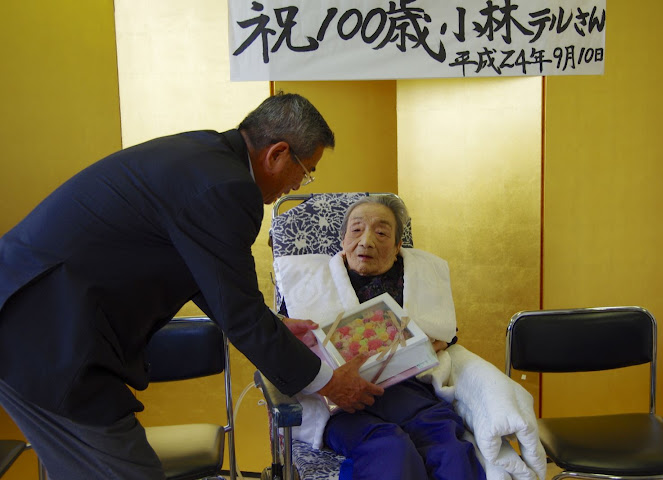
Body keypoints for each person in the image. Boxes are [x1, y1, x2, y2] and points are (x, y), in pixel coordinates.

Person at [0, 92, 383, 479]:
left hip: (29, 312)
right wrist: (329, 383)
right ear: (278, 154)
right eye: (306, 170)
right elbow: (241, 313)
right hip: (44, 333)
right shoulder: (228, 189)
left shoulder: (203, 155)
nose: (299, 184)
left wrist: (276, 325)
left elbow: (210, 280)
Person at [279, 196, 486, 480]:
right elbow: (282, 345)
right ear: (342, 240)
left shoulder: (417, 281)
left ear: (398, 246)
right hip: (341, 402)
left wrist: (432, 343)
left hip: (408, 392)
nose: (366, 241)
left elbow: (445, 332)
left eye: (381, 233)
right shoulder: (309, 286)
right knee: (390, 449)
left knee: (451, 452)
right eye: (356, 230)